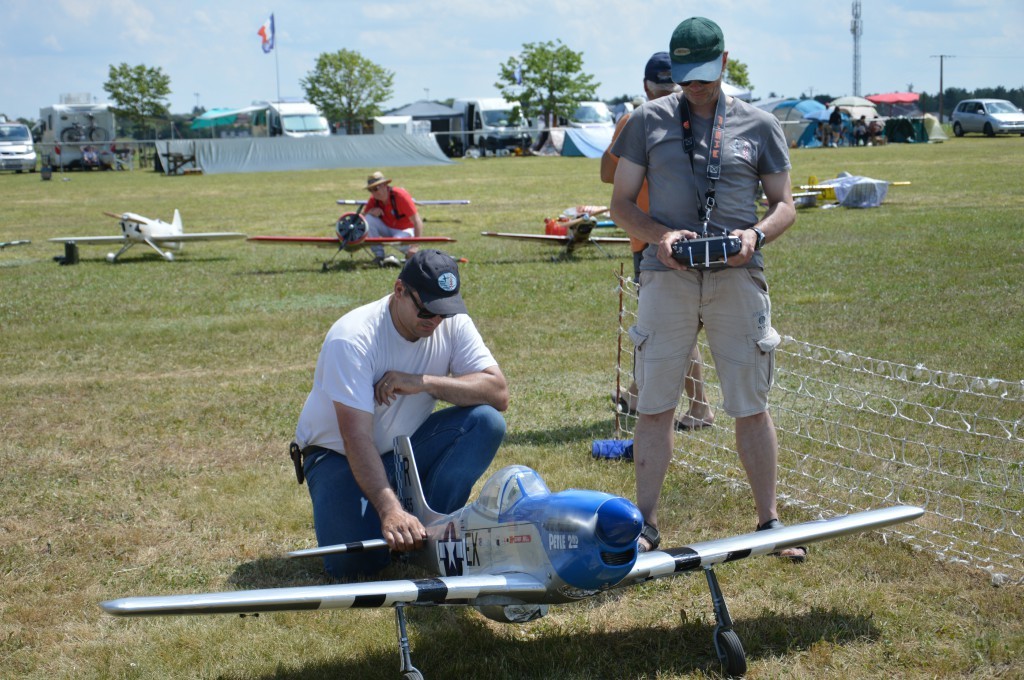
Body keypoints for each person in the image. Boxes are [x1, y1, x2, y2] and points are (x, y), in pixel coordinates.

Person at [609, 16, 803, 560]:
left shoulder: (760, 124)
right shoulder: (646, 122)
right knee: (655, 405)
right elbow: (620, 204)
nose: (693, 86)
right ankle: (646, 525)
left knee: (751, 405)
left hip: (738, 276)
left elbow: (785, 203)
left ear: (724, 61)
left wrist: (754, 236)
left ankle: (769, 523)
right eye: (684, 75)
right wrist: (659, 237)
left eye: (703, 74)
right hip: (665, 276)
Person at [292, 249, 509, 579]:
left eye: (443, 313)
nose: (435, 321)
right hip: (337, 456)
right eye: (425, 310)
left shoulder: (452, 323)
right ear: (398, 291)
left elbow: (498, 392)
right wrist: (390, 510)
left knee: (485, 422)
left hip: (404, 450)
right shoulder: (352, 339)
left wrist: (423, 383)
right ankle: (398, 524)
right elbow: (356, 437)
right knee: (356, 566)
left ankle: (432, 530)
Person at [601, 51, 714, 431]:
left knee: (670, 323)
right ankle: (636, 391)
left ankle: (699, 406)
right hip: (698, 233)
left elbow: (606, 173)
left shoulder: (637, 119)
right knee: (669, 322)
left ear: (645, 86)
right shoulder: (701, 116)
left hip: (651, 237)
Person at [362, 171, 425, 267]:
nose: (374, 192)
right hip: (388, 228)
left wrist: (414, 246)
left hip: (406, 230)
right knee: (368, 219)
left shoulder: (400, 196)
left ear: (384, 185)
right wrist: (369, 212)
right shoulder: (373, 199)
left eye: (376, 188)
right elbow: (362, 219)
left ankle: (413, 256)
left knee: (395, 240)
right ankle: (379, 256)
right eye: (370, 190)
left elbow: (417, 221)